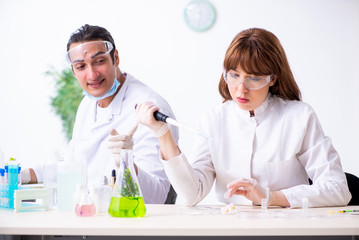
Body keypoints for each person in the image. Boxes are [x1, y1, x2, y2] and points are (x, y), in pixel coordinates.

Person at [135, 28, 352, 207]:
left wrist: (271, 197)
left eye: (254, 78)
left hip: (287, 226)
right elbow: (192, 194)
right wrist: (162, 134)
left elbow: (338, 189)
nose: (241, 89)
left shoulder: (299, 116)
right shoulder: (213, 119)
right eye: (234, 75)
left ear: (273, 79)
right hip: (232, 226)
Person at [22, 24, 179, 204]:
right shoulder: (88, 104)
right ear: (74, 71)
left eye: (99, 61)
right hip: (92, 214)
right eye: (81, 66)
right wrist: (24, 175)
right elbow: (73, 165)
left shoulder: (149, 108)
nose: (92, 74)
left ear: (116, 58)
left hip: (129, 225)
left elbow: (158, 197)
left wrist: (127, 165)